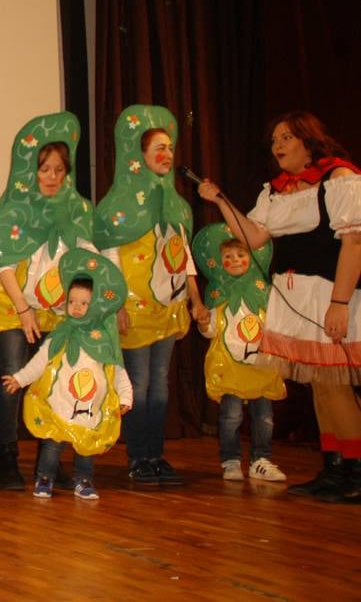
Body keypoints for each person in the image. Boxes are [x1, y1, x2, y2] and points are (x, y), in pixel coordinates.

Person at [198, 111, 361, 503]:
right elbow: (252, 237)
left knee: (337, 385)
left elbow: (354, 244)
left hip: (330, 294)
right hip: (297, 296)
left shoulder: (338, 179)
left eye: (286, 137)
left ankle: (356, 471)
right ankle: (334, 467)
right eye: (274, 140)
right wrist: (220, 199)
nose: (278, 146)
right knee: (320, 388)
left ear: (309, 141)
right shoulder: (278, 190)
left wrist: (339, 303)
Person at [0, 112, 98, 490]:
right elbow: (3, 264)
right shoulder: (16, 208)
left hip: (52, 305)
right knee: (13, 377)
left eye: (58, 170)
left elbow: (90, 257)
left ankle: (50, 458)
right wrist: (23, 309)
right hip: (10, 297)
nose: (50, 177)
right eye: (44, 168)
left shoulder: (75, 210)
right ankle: (7, 456)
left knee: (54, 380)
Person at [94, 106, 202, 486]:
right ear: (136, 156)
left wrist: (194, 298)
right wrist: (116, 302)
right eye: (157, 146)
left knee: (160, 382)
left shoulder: (174, 204)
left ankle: (155, 454)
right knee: (138, 384)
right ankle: (138, 455)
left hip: (167, 307)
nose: (166, 154)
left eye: (169, 146)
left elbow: (183, 253)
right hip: (134, 308)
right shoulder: (117, 205)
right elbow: (108, 253)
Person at [2, 251, 132, 500]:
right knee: (53, 444)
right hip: (60, 401)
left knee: (86, 445)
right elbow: (41, 360)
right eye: (72, 302)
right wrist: (20, 378)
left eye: (84, 303)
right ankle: (44, 478)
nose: (77, 307)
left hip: (89, 405)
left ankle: (83, 481)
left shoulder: (104, 338)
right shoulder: (61, 334)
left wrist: (126, 396)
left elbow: (117, 367)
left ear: (95, 306)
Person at [189, 226, 286, 481]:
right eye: (228, 258)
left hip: (261, 366)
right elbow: (211, 331)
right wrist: (202, 322)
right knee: (231, 416)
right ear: (219, 263)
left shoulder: (263, 291)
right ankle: (231, 460)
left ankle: (261, 460)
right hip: (231, 367)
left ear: (252, 258)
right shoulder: (217, 293)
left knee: (264, 417)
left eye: (240, 255)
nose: (235, 261)